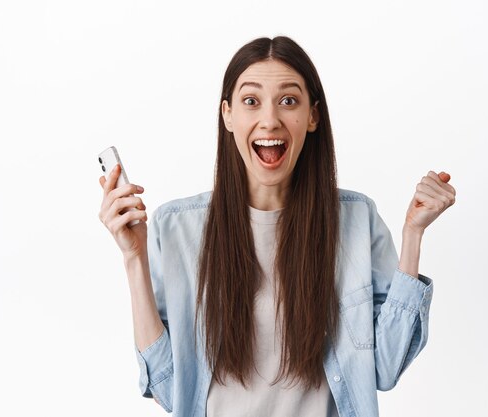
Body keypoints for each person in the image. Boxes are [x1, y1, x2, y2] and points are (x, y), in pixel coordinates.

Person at [98, 36, 456, 417]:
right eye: (251, 101)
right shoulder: (176, 229)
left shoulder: (356, 221)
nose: (270, 119)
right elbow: (168, 390)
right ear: (228, 115)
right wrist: (133, 258)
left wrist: (413, 235)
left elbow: (384, 369)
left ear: (313, 116)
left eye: (288, 101)